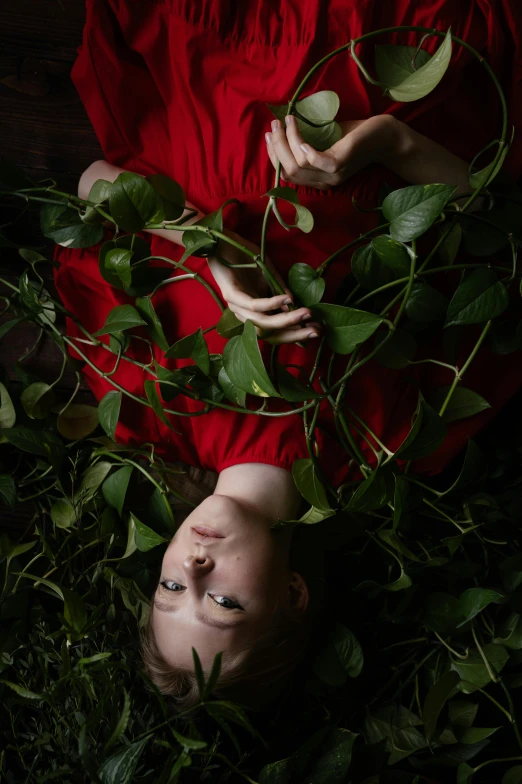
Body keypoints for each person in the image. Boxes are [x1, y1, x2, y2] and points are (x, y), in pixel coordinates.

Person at [53, 0, 522, 709]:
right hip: (376, 69)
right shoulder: (389, 439)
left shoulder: (148, 401)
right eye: (224, 605)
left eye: (171, 586)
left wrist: (209, 254)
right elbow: (499, 227)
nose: (195, 565)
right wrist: (385, 144)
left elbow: (92, 183)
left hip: (222, 61)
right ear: (293, 594)